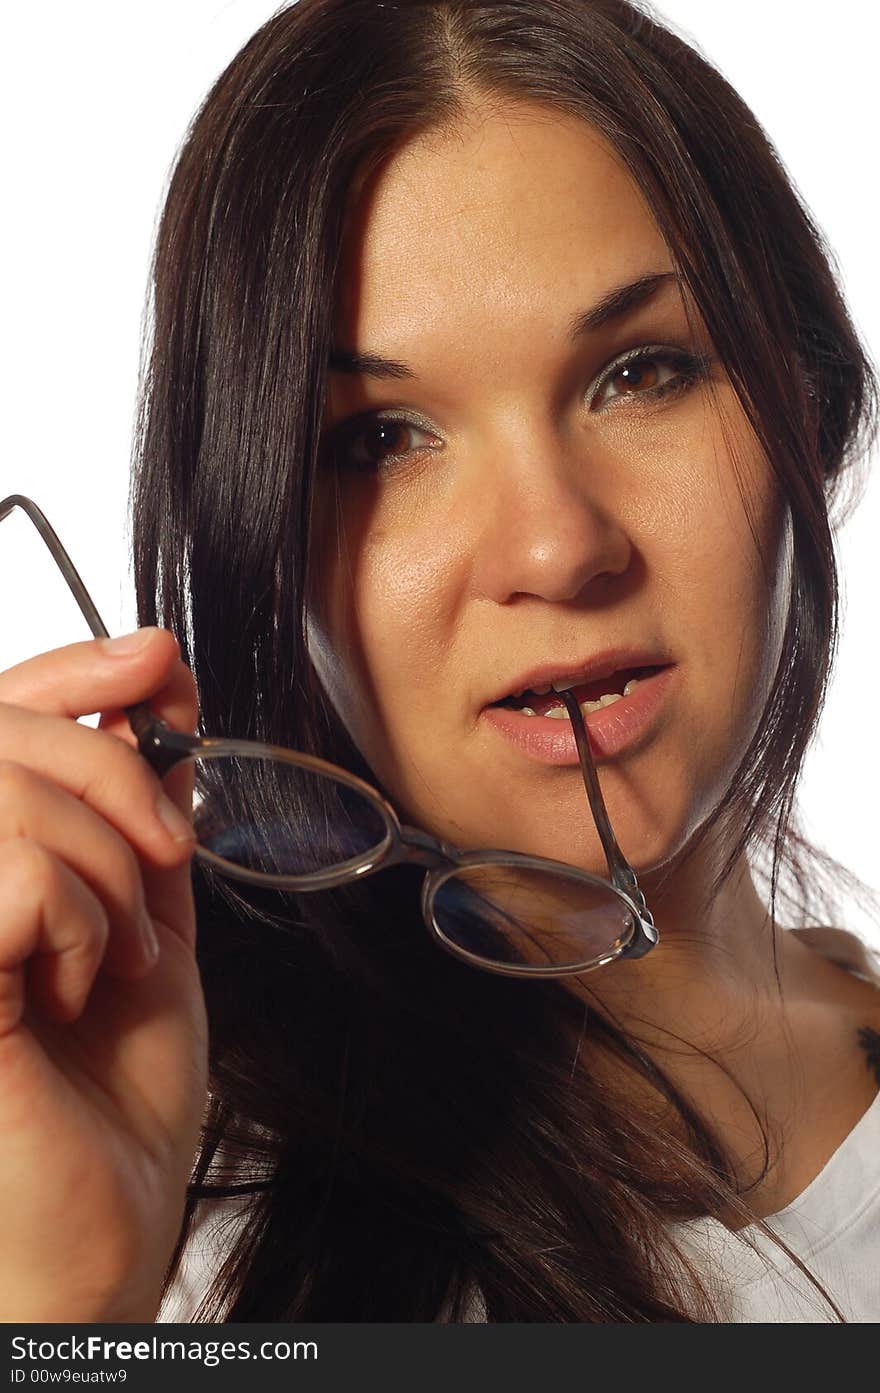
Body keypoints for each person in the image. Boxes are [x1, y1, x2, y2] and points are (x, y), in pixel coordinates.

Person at [1, 0, 878, 1324]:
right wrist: (64, 1305)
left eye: (640, 372)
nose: (555, 544)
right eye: (379, 440)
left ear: (802, 406)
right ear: (261, 547)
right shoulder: (156, 1210)